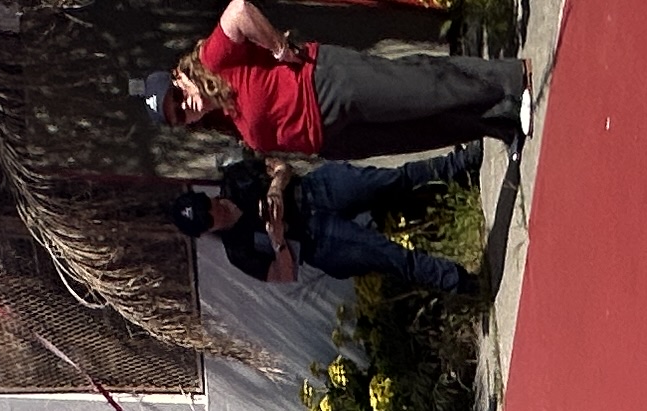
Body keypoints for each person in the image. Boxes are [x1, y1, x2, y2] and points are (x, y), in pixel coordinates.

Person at [158, 1, 525, 162]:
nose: (184, 107)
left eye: (177, 96)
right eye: (179, 116)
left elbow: (238, 10)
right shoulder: (220, 119)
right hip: (331, 139)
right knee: (420, 131)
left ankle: (508, 80)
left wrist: (278, 47)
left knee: (420, 88)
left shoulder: (213, 59)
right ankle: (500, 123)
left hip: (325, 85)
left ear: (179, 76)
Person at [168, 144, 482, 297]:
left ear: (207, 197)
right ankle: (458, 281)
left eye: (207, 206)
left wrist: (276, 187)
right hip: (316, 240)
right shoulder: (237, 251)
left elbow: (281, 166)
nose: (215, 213)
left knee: (391, 180)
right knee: (387, 254)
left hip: (315, 191)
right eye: (207, 220)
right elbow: (284, 274)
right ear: (205, 231)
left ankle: (458, 164)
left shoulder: (235, 179)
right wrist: (277, 240)